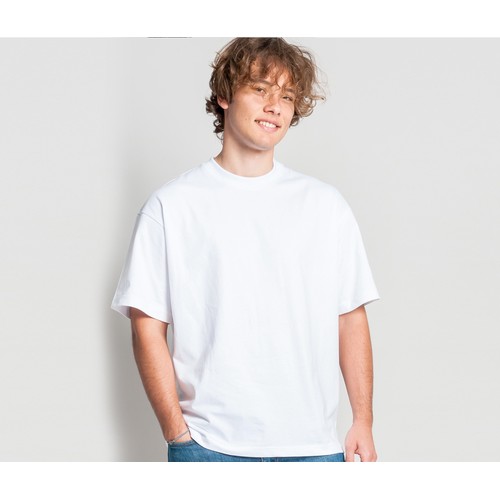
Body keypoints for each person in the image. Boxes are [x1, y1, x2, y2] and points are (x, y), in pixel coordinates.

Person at [111, 37, 380, 462]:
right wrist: (177, 433)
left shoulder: (325, 206)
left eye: (287, 96)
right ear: (224, 96)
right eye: (260, 89)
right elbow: (147, 325)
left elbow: (350, 317)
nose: (275, 106)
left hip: (314, 448)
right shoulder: (171, 206)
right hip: (209, 447)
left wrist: (363, 419)